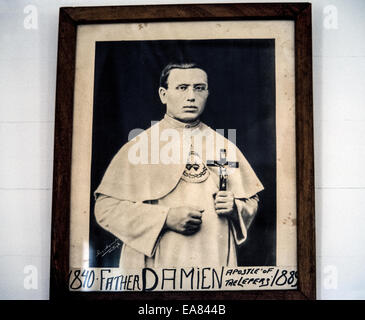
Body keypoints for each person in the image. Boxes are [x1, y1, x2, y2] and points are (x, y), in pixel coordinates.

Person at [94, 62, 264, 270]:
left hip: (213, 257)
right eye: (182, 88)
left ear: (207, 93)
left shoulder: (223, 145)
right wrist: (165, 218)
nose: (191, 96)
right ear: (163, 94)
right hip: (158, 264)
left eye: (199, 88)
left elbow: (250, 200)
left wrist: (235, 207)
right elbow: (106, 209)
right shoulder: (139, 147)